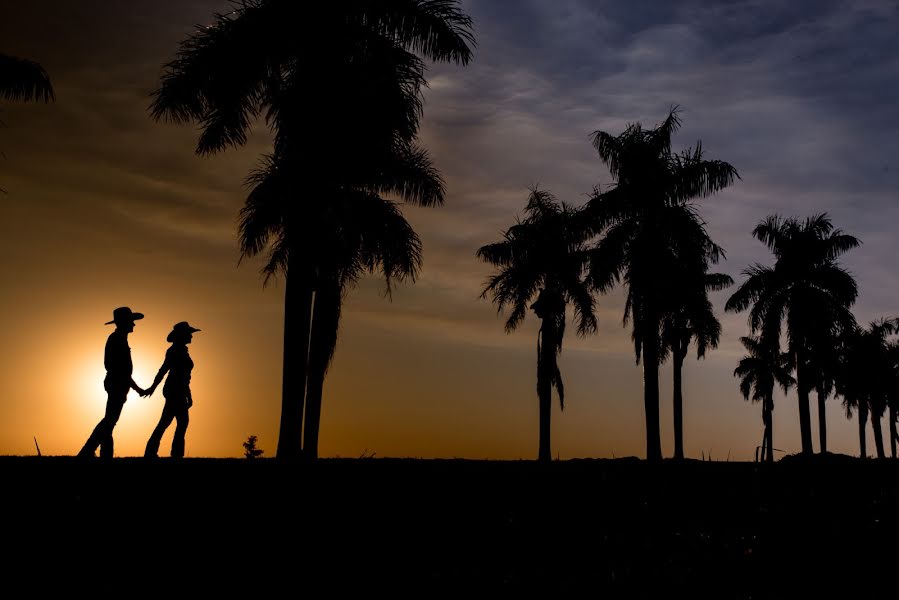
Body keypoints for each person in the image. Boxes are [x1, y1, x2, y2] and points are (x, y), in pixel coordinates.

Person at [78, 307, 147, 458]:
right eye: (131, 321)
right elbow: (119, 369)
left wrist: (135, 388)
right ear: (124, 322)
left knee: (110, 420)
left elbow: (121, 370)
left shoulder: (119, 339)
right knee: (110, 420)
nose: (134, 325)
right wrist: (137, 388)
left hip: (118, 383)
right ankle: (89, 450)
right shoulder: (116, 339)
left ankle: (100, 452)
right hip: (117, 384)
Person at [142, 321, 200, 458]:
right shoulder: (174, 351)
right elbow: (163, 370)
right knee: (179, 422)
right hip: (174, 389)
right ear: (182, 335)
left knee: (168, 421)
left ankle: (154, 451)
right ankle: (173, 454)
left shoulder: (182, 350)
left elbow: (185, 377)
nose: (191, 336)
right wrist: (152, 387)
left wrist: (189, 394)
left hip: (178, 388)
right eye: (189, 334)